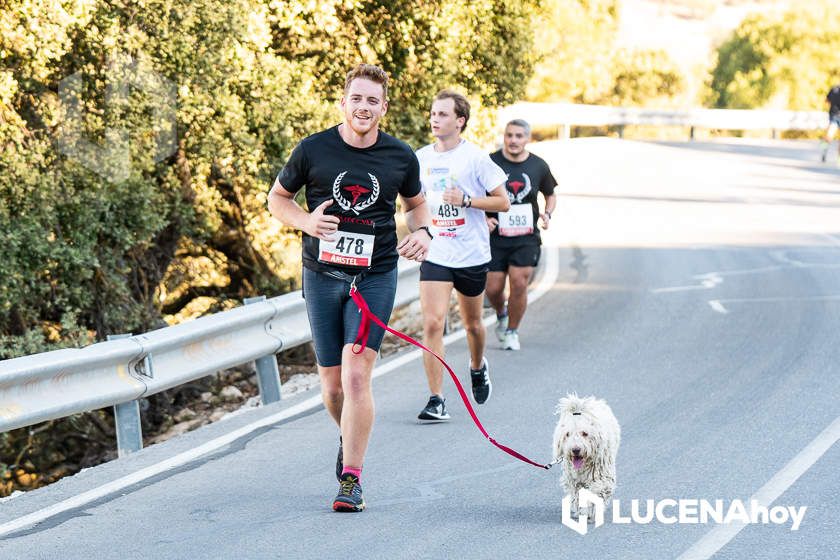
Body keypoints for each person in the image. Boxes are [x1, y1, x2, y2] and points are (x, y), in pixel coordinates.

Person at [267, 64, 432, 512]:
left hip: (375, 276)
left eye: (372, 101)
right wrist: (306, 221)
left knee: (357, 377)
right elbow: (276, 199)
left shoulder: (400, 156)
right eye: (356, 98)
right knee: (333, 387)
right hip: (322, 276)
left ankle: (351, 478)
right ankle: (349, 436)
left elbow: (418, 206)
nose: (363, 107)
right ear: (343, 102)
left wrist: (424, 233)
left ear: (384, 107)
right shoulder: (313, 149)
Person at [415, 90, 510, 422]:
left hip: (470, 254)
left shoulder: (476, 158)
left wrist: (468, 202)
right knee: (432, 323)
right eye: (433, 113)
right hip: (436, 251)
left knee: (472, 325)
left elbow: (503, 202)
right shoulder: (421, 158)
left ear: (460, 121)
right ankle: (436, 398)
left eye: (442, 114)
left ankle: (477, 365)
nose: (434, 119)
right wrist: (417, 229)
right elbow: (413, 202)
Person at [485, 119, 557, 351]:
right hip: (495, 237)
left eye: (518, 136)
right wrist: (485, 218)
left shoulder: (539, 165)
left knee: (519, 283)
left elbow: (550, 194)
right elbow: (474, 191)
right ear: (504, 137)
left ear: (527, 139)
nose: (513, 140)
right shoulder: (490, 162)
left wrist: (547, 213)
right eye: (509, 135)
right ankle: (502, 313)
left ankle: (512, 331)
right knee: (493, 289)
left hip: (526, 237)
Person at [820, 84, 840, 164]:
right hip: (834, 116)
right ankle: (824, 151)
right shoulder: (834, 89)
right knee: (829, 135)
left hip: (835, 115)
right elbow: (827, 100)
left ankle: (838, 158)